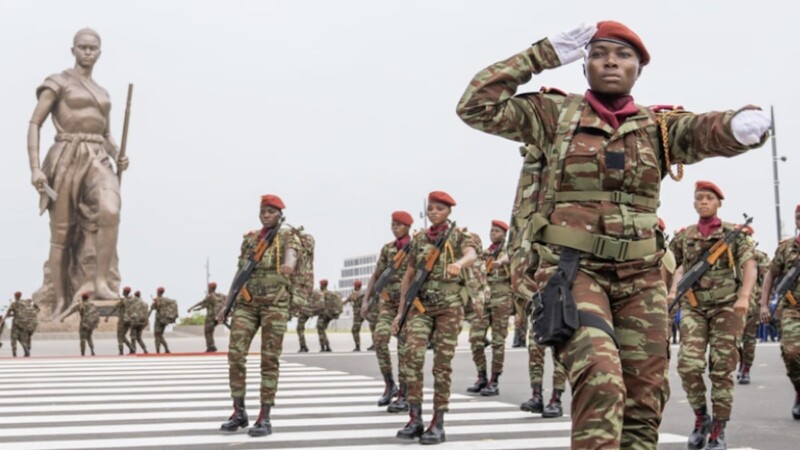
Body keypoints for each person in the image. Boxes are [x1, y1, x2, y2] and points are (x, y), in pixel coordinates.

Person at [456, 20, 770, 449]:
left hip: (641, 279)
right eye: (600, 53)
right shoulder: (553, 116)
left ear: (638, 68)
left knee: (644, 403)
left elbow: (701, 129)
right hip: (572, 274)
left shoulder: (657, 127)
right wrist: (540, 55)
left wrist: (736, 127)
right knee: (601, 382)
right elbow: (475, 106)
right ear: (583, 63)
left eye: (623, 56)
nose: (610, 62)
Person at [28, 28, 129, 317]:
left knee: (110, 210)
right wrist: (35, 168)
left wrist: (117, 153)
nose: (87, 52)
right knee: (62, 233)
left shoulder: (102, 93)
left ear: (99, 52)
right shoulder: (58, 82)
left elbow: (106, 134)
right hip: (66, 157)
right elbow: (35, 123)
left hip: (98, 159)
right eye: (82, 47)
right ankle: (60, 300)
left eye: (93, 48)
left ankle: (100, 282)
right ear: (72, 50)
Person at [669, 181, 756, 450]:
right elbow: (675, 265)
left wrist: (744, 296)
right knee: (688, 365)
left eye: (708, 198)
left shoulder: (734, 234)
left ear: (718, 203)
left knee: (721, 369)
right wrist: (672, 290)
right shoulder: (685, 236)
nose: (703, 202)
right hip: (695, 306)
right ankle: (701, 418)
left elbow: (749, 264)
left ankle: (718, 429)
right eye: (699, 198)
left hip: (727, 308)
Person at [393, 191, 478, 445]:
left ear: (449, 211)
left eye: (439, 208)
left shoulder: (459, 235)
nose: (433, 212)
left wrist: (459, 264)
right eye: (431, 208)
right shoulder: (419, 240)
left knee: (442, 365)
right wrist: (401, 312)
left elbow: (472, 253)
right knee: (412, 357)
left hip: (449, 308)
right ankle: (414, 418)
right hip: (421, 307)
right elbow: (409, 276)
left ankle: (438, 423)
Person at [219, 194, 299, 437]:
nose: (266, 215)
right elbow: (241, 271)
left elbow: (292, 253)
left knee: (269, 359)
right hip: (247, 303)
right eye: (263, 211)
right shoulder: (251, 239)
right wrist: (227, 304)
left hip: (274, 305)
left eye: (271, 211)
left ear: (279, 215)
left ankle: (264, 417)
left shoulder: (287, 234)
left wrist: (289, 264)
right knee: (235, 355)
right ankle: (238, 411)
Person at [362, 211, 413, 410]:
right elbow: (377, 275)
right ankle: (389, 385)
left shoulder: (415, 247)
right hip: (388, 304)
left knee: (404, 349)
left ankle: (404, 393)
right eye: (393, 224)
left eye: (399, 225)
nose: (395, 228)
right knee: (379, 338)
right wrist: (366, 300)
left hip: (409, 306)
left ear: (408, 226)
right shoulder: (388, 249)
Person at [759, 204, 800, 420]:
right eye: (799, 217)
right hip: (793, 308)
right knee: (791, 353)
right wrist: (764, 305)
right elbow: (770, 275)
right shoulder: (786, 249)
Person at [466, 220, 513, 396]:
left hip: (502, 297)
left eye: (497, 231)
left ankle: (494, 380)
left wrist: (501, 262)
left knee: (498, 341)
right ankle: (481, 375)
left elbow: (509, 258)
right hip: (484, 299)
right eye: (491, 231)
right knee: (475, 338)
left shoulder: (507, 250)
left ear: (504, 233)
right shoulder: (486, 253)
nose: (493, 233)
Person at [737, 234, 770, 385]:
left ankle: (746, 368)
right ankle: (741, 362)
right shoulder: (729, 254)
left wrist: (763, 303)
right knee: (732, 339)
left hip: (751, 302)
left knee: (749, 339)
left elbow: (767, 281)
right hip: (730, 303)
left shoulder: (759, 257)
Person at [188, 282, 225, 352]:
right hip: (216, 317)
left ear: (210, 288)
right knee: (210, 332)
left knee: (207, 332)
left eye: (209, 287)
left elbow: (202, 302)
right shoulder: (218, 296)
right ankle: (211, 346)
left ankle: (211, 347)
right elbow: (205, 305)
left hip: (210, 317)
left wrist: (191, 308)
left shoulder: (210, 296)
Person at [61, 292, 100, 356]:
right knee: (89, 337)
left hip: (83, 324)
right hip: (90, 325)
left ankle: (83, 353)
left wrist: (63, 317)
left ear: (82, 298)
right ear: (88, 298)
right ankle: (92, 350)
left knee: (82, 339)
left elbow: (71, 311)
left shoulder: (81, 305)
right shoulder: (92, 305)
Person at [6, 292, 40, 357]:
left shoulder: (14, 304)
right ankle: (27, 349)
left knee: (14, 337)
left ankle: (14, 353)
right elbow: (38, 310)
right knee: (26, 337)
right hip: (29, 324)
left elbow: (8, 314)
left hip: (17, 323)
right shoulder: (27, 303)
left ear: (15, 296)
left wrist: (13, 315)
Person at [149, 287, 177, 354]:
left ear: (158, 292)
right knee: (160, 335)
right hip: (165, 320)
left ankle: (158, 351)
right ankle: (167, 349)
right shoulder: (167, 300)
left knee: (157, 335)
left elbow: (152, 308)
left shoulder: (157, 300)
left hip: (159, 319)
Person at [316, 279, 342, 352]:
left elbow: (319, 304)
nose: (320, 286)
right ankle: (327, 346)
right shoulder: (331, 293)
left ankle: (324, 347)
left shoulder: (322, 293)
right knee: (322, 330)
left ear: (322, 285)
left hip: (323, 314)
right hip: (329, 314)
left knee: (320, 330)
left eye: (320, 284)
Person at [106, 286, 134, 355]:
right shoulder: (132, 300)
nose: (122, 292)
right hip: (129, 320)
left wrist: (108, 316)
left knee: (120, 336)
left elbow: (115, 308)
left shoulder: (122, 301)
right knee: (123, 335)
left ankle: (121, 351)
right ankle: (131, 348)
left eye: (123, 291)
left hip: (122, 320)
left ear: (125, 292)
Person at [343, 280, 366, 351]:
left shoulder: (356, 294)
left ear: (356, 286)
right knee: (372, 329)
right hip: (363, 314)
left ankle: (357, 346)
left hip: (358, 315)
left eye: (354, 285)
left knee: (354, 330)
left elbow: (346, 301)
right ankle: (373, 345)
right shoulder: (364, 293)